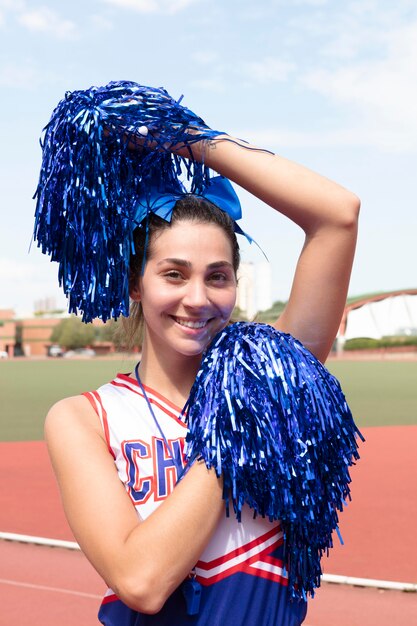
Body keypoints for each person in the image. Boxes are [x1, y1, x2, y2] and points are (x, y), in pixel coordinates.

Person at [42, 93, 360, 625]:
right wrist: (244, 419)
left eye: (218, 276)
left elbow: (338, 215)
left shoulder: (279, 371)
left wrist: (186, 139)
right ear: (135, 285)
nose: (197, 297)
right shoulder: (82, 419)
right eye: (173, 273)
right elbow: (141, 581)